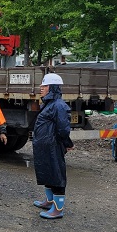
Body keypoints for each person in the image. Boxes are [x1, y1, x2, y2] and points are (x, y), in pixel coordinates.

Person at [32, 73, 73, 219]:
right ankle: (49, 201)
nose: (41, 88)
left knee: (56, 175)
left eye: (44, 86)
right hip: (45, 147)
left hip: (53, 147)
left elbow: (63, 129)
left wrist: (67, 143)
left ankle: (57, 209)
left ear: (53, 87)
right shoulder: (49, 104)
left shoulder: (59, 106)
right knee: (47, 172)